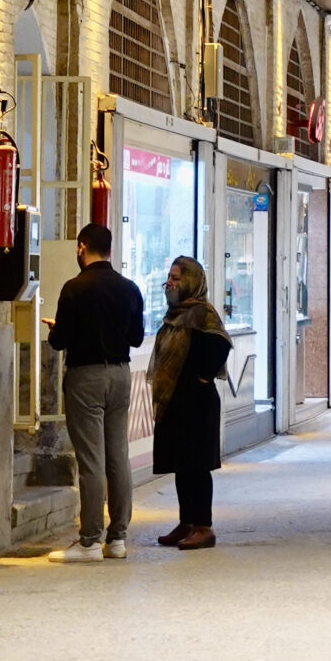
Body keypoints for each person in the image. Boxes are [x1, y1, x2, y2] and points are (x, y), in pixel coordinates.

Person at [47, 220, 145, 562]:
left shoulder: (74, 288)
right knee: (118, 457)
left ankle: (89, 540)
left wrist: (59, 328)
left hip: (86, 377)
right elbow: (136, 338)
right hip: (120, 375)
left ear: (81, 247)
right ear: (111, 251)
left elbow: (59, 341)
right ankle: (117, 538)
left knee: (91, 461)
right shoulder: (130, 288)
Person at [149, 256, 232, 553]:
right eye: (169, 277)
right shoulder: (175, 314)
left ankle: (203, 527)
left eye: (176, 278)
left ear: (192, 282)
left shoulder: (201, 313)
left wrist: (202, 375)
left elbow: (222, 343)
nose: (169, 282)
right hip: (176, 401)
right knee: (181, 464)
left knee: (197, 466)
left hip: (197, 403)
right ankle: (186, 522)